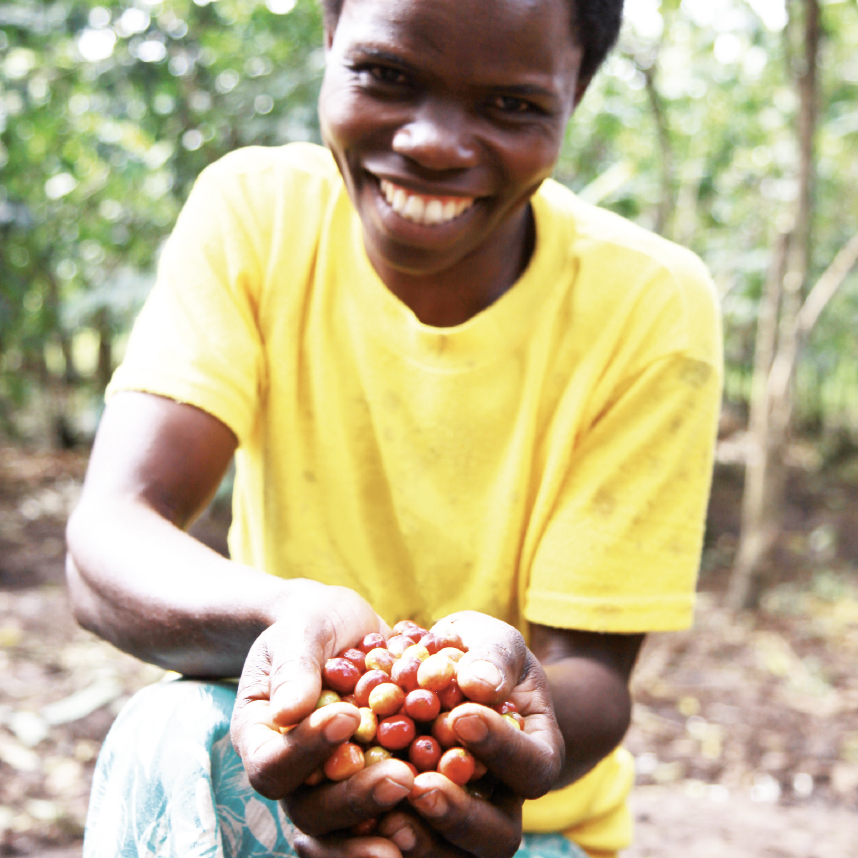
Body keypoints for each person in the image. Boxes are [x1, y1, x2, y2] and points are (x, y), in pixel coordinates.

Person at [65, 0, 722, 856]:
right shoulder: (257, 215)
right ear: (331, 39)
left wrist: (468, 749)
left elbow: (592, 675)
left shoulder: (647, 304)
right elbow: (110, 536)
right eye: (389, 76)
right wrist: (287, 615)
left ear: (578, 92)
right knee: (173, 734)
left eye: (512, 105)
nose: (434, 144)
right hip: (276, 758)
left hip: (515, 826)